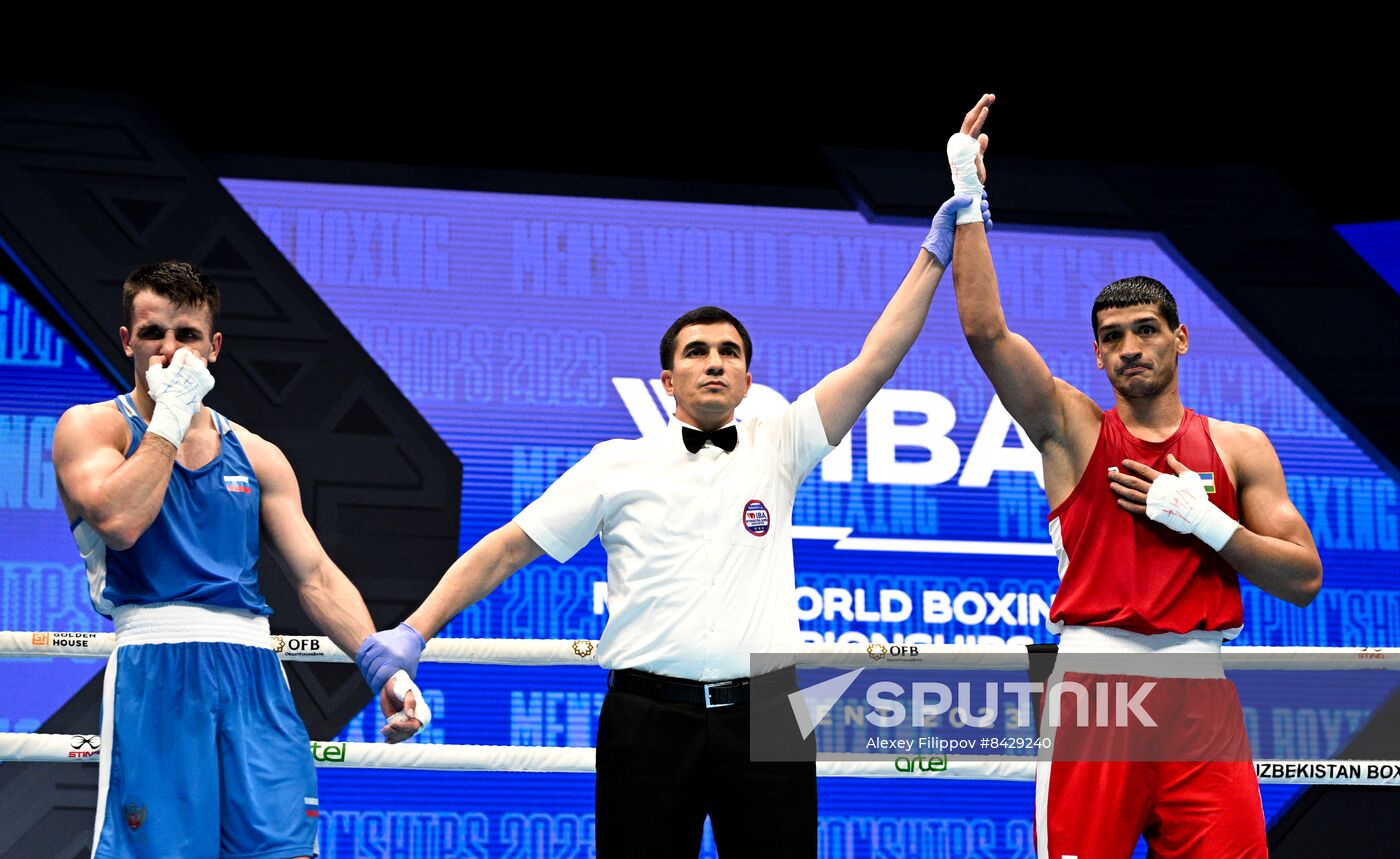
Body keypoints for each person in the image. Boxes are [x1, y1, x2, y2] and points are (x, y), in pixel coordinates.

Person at [354, 96, 997, 856]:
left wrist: (942, 235)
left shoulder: (781, 439)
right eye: (697, 351)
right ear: (667, 379)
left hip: (772, 714)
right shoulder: (615, 464)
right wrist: (411, 632)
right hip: (646, 716)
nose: (715, 360)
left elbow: (877, 357)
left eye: (728, 350)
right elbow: (503, 550)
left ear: (749, 374)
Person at [945, 122, 1323, 857]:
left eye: (1145, 330)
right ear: (1096, 352)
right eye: (1112, 336)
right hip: (1096, 693)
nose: (1129, 348)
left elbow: (1305, 578)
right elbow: (987, 334)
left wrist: (1210, 523)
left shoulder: (1240, 447)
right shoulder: (1071, 428)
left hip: (1202, 697)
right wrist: (967, 198)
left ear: (1179, 338)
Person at [53, 261, 422, 859]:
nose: (170, 351)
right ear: (127, 341)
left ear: (214, 347)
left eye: (187, 335)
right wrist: (170, 416)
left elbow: (317, 577)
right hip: (157, 665)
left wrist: (383, 666)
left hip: (255, 673)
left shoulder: (257, 454)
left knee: (284, 851)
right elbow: (119, 524)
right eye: (153, 334)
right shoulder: (92, 428)